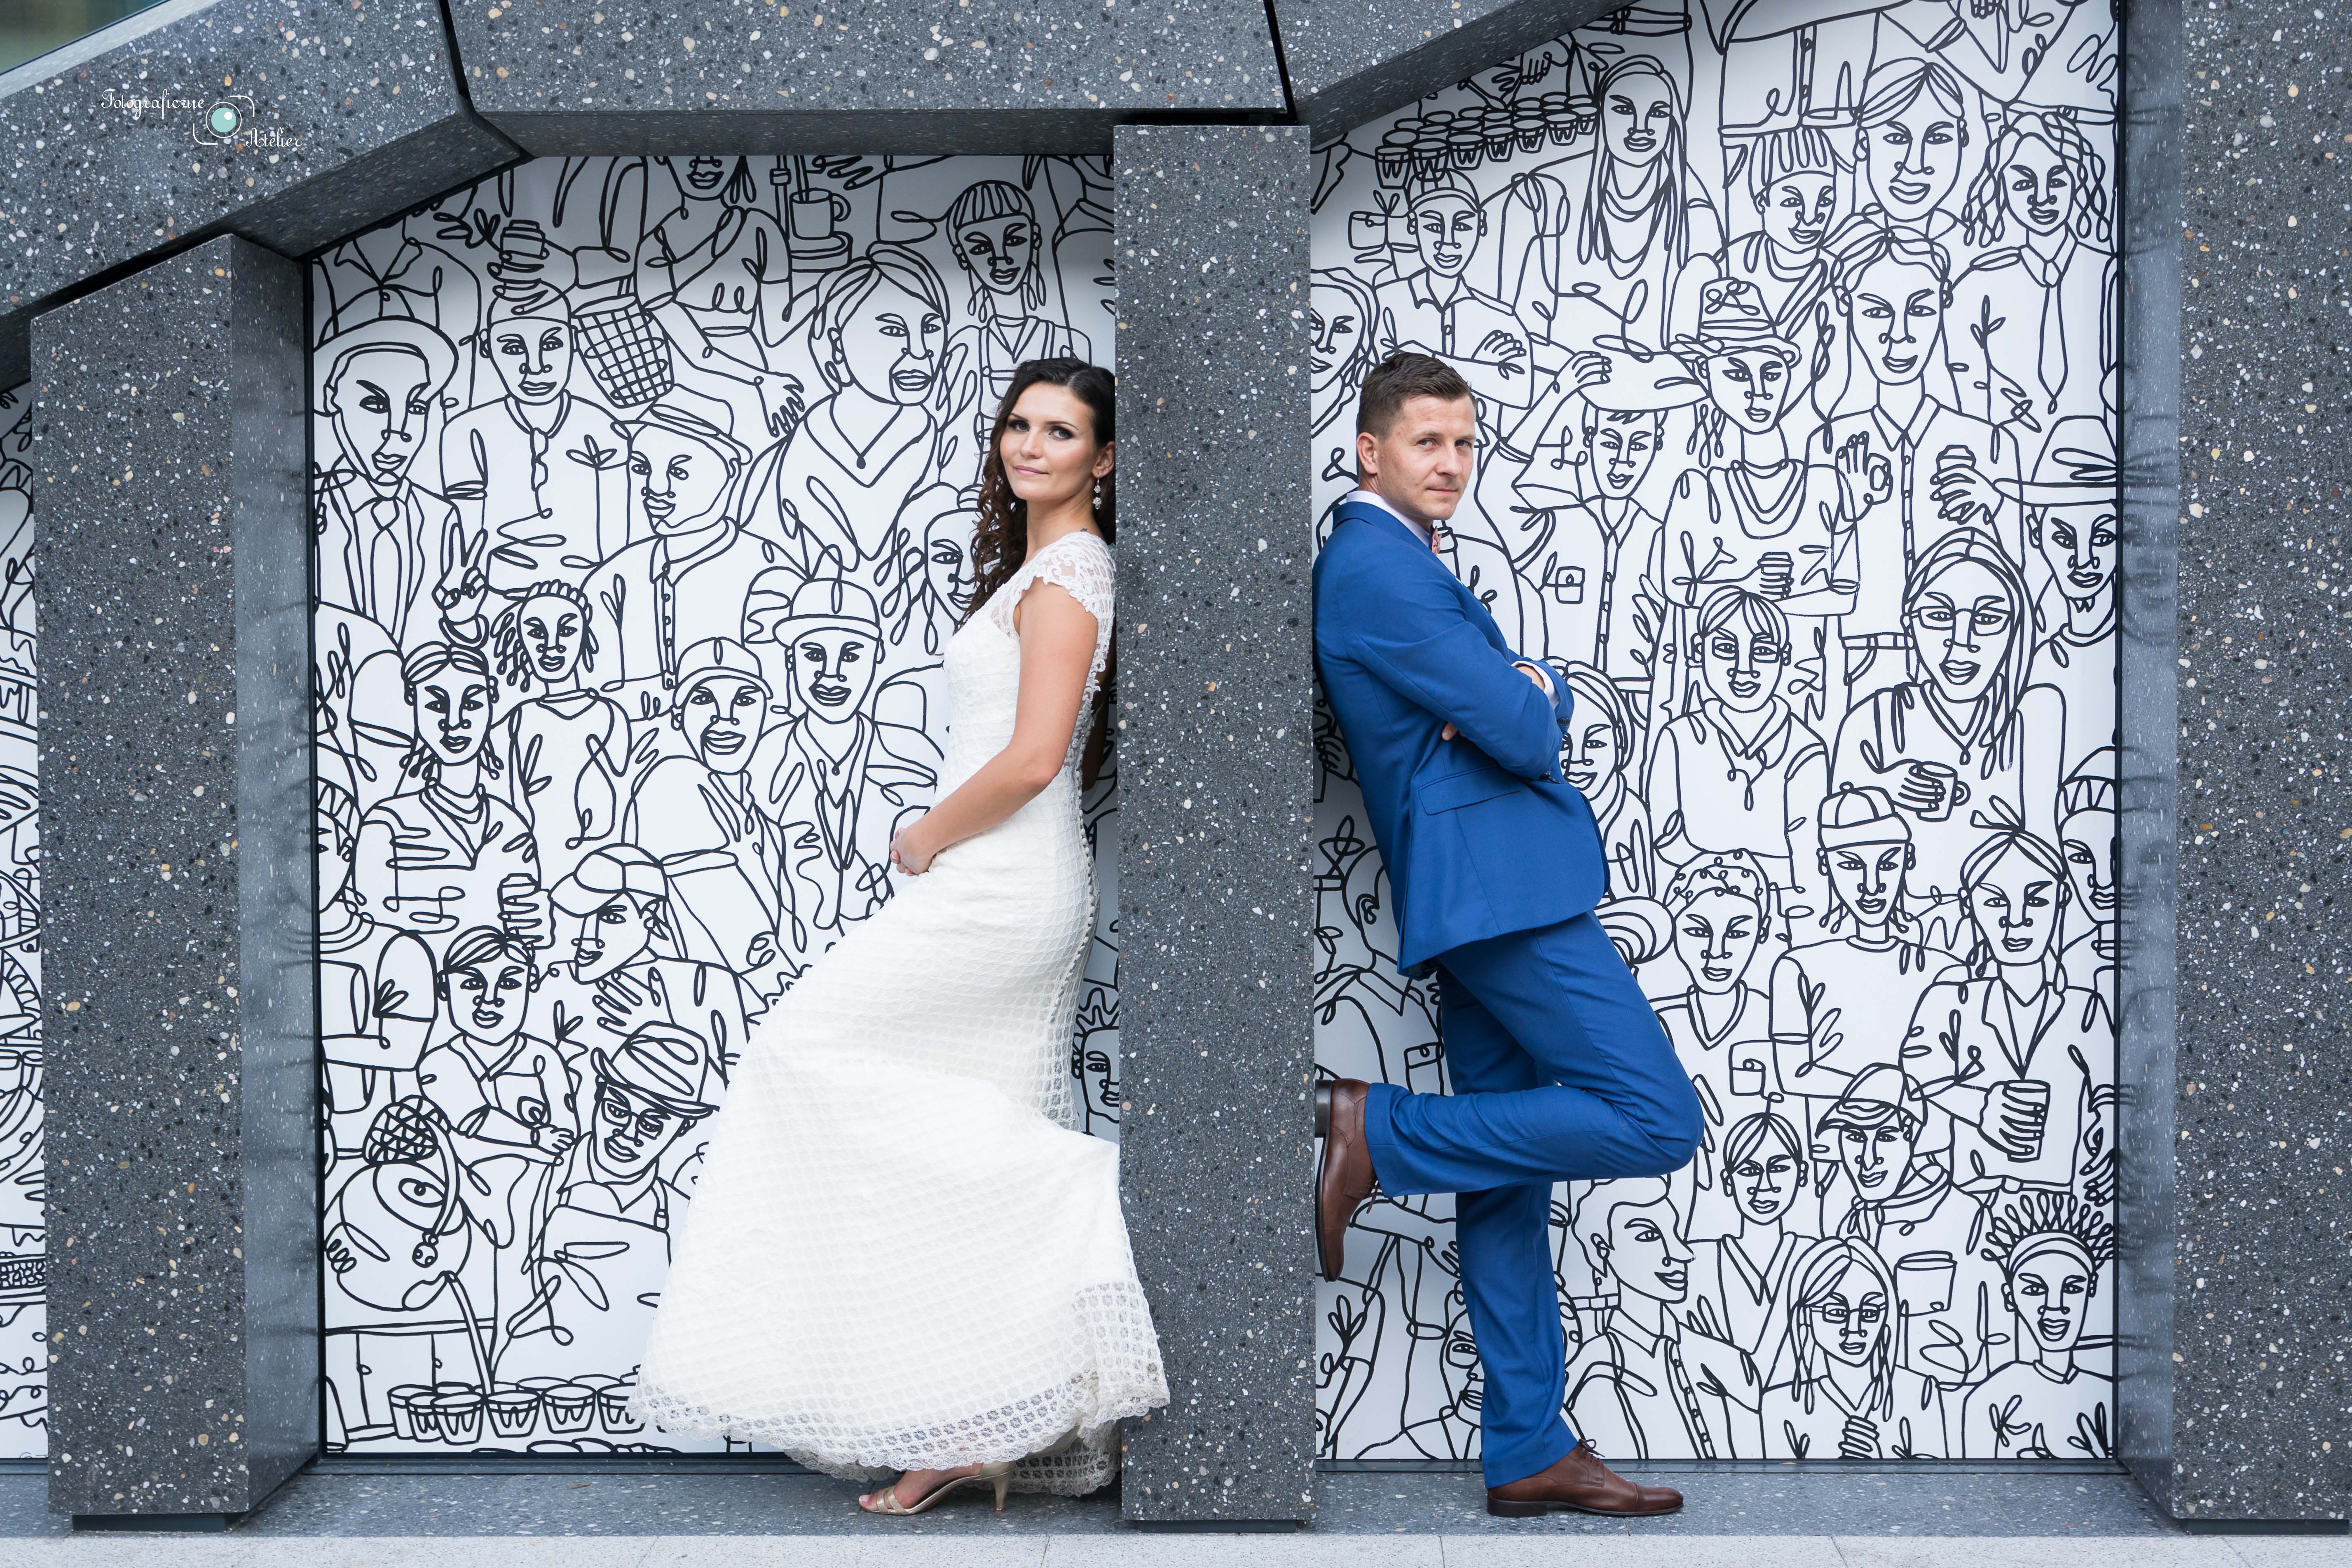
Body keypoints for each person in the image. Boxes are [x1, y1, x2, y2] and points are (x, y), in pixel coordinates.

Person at [631, 359, 1167, 1513]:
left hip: (1001, 884)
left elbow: (1035, 757)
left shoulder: (1073, 572)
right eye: (1018, 423)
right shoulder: (1038, 567)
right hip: (993, 877)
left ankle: (1073, 1184)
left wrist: (924, 835)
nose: (1030, 445)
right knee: (963, 1104)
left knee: (801, 1048)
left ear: (1105, 458)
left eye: (1060, 431)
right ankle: (967, 1425)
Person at [1313, 351, 1701, 1518]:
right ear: (1369, 450)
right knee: (1655, 1116)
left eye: (1464, 443)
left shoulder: (1409, 562)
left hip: (1482, 892)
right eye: (1426, 441)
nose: (1450, 463)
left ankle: (1528, 1444)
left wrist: (1505, 686)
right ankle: (1374, 1128)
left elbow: (1497, 711)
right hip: (1501, 895)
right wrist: (1530, 685)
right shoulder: (1375, 566)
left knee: (1509, 1175)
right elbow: (1526, 731)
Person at [1760, 1235, 1950, 1458]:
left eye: (1870, 1313)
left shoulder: (1921, 1391)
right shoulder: (1781, 1404)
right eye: (1836, 1312)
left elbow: (1937, 1475)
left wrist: (1879, 1464)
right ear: (1805, 1316)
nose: (1854, 1329)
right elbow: (1779, 1478)